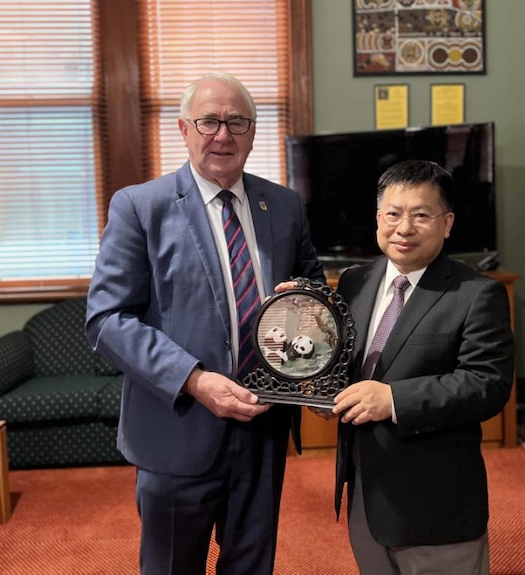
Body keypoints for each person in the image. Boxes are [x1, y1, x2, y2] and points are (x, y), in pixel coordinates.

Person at [85, 72, 325, 575]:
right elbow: (107, 319)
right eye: (209, 121)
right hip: (178, 428)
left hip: (263, 428)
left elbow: (315, 300)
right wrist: (194, 379)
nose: (223, 135)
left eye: (237, 122)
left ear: (253, 132)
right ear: (183, 129)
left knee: (251, 565)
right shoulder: (139, 207)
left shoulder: (284, 205)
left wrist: (306, 318)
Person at [331, 159, 515, 575]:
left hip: (436, 500)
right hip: (364, 489)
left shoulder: (477, 293)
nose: (404, 227)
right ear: (379, 218)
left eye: (421, 215)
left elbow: (487, 384)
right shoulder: (354, 281)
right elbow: (343, 362)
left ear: (447, 223)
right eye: (393, 214)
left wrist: (394, 399)